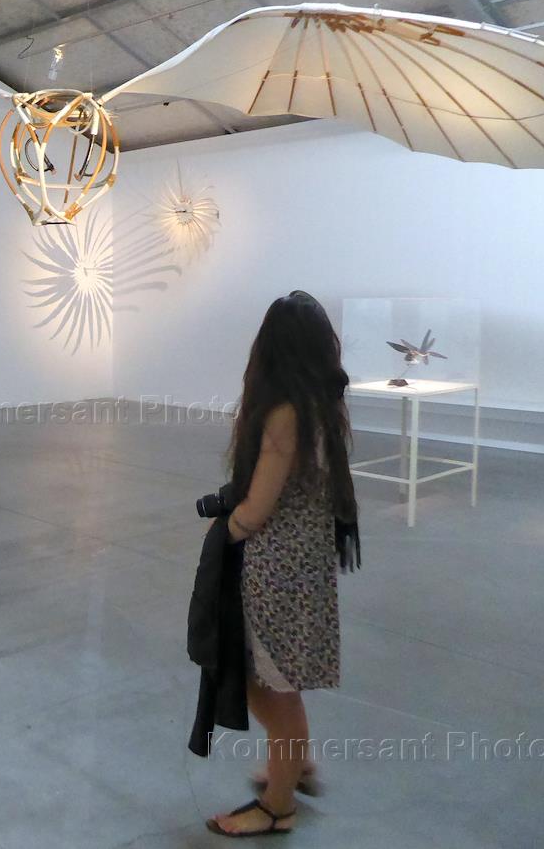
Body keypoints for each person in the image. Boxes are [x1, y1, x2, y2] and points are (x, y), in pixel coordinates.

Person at [207, 290, 359, 838]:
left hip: (278, 569)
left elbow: (258, 507)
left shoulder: (284, 414)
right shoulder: (322, 404)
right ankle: (297, 764)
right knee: (278, 678)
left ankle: (277, 806)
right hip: (305, 564)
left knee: (268, 686)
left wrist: (224, 530)